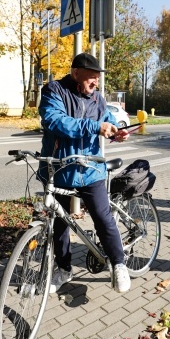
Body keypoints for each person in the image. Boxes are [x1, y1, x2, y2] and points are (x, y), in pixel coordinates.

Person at [37, 53, 131, 294]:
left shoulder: (98, 99)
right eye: (91, 78)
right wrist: (95, 127)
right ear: (75, 73)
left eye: (97, 79)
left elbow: (108, 121)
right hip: (61, 170)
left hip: (91, 170)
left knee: (102, 216)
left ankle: (118, 264)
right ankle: (64, 269)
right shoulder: (54, 90)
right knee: (60, 224)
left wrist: (117, 131)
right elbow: (55, 121)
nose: (95, 83)